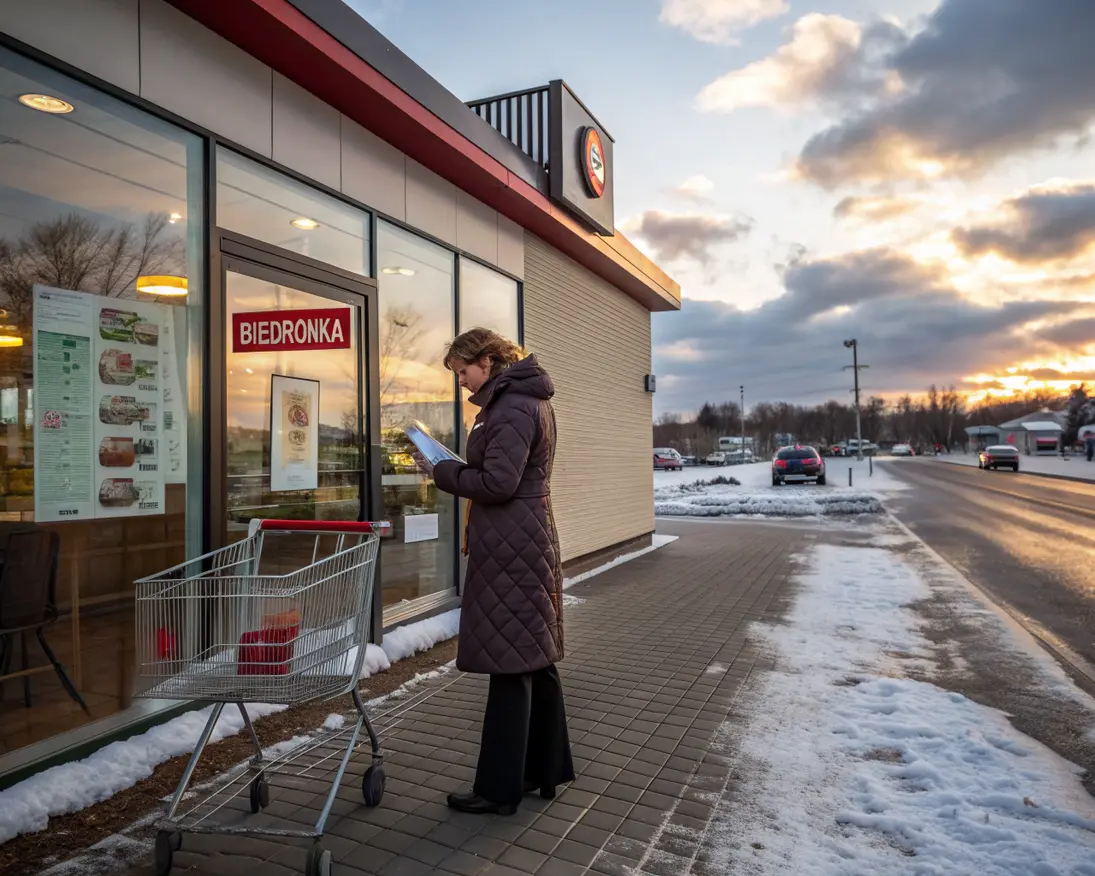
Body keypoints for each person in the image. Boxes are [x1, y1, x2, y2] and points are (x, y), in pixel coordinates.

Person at [413, 328, 574, 815]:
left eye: (463, 371)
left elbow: (498, 483)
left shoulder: (510, 408)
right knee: (533, 659)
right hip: (525, 537)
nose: (461, 382)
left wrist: (442, 471)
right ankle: (542, 771)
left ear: (487, 361)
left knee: (510, 662)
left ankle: (499, 790)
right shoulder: (524, 400)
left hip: (512, 545)